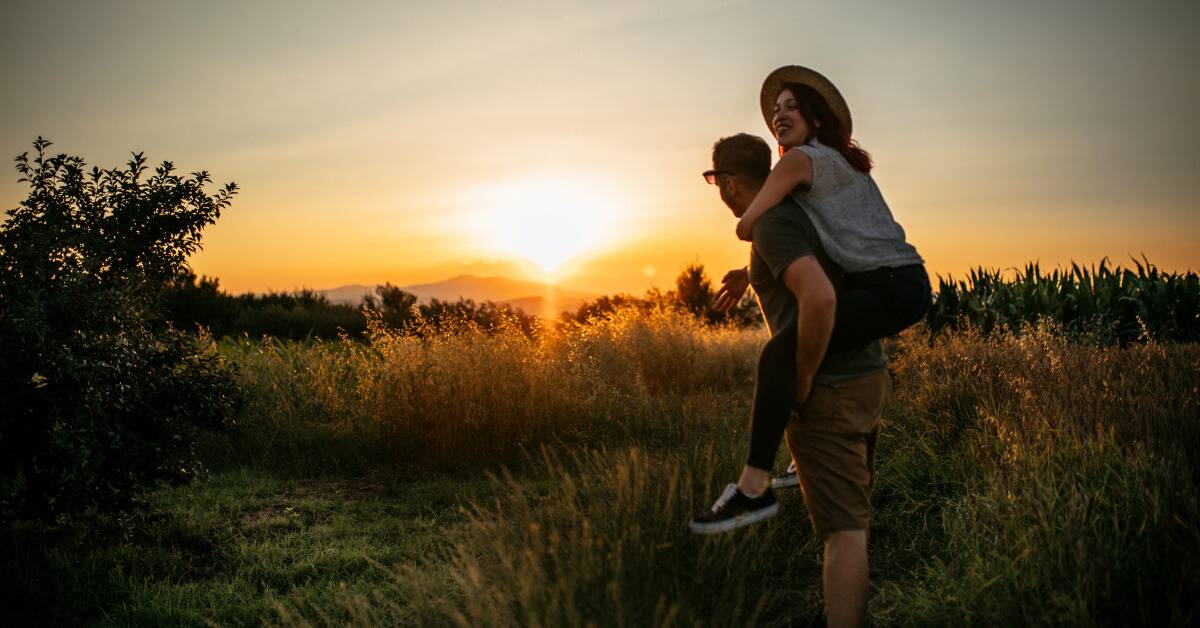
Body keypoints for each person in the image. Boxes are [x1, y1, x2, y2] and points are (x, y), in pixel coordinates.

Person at [688, 133, 890, 628]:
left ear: (729, 183)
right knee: (853, 518)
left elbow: (818, 297)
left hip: (830, 386)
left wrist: (800, 379)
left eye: (715, 180)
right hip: (867, 375)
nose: (718, 189)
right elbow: (811, 257)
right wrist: (748, 271)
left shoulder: (772, 224)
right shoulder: (800, 209)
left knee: (843, 533)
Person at [717, 65, 930, 489]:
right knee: (816, 335)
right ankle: (808, 459)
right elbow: (820, 243)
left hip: (888, 286)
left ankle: (754, 485)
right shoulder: (839, 162)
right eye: (776, 109)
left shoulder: (799, 161)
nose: (780, 114)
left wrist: (757, 223)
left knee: (783, 355)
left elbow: (748, 224)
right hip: (902, 283)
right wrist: (748, 272)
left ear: (815, 117)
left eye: (792, 106)